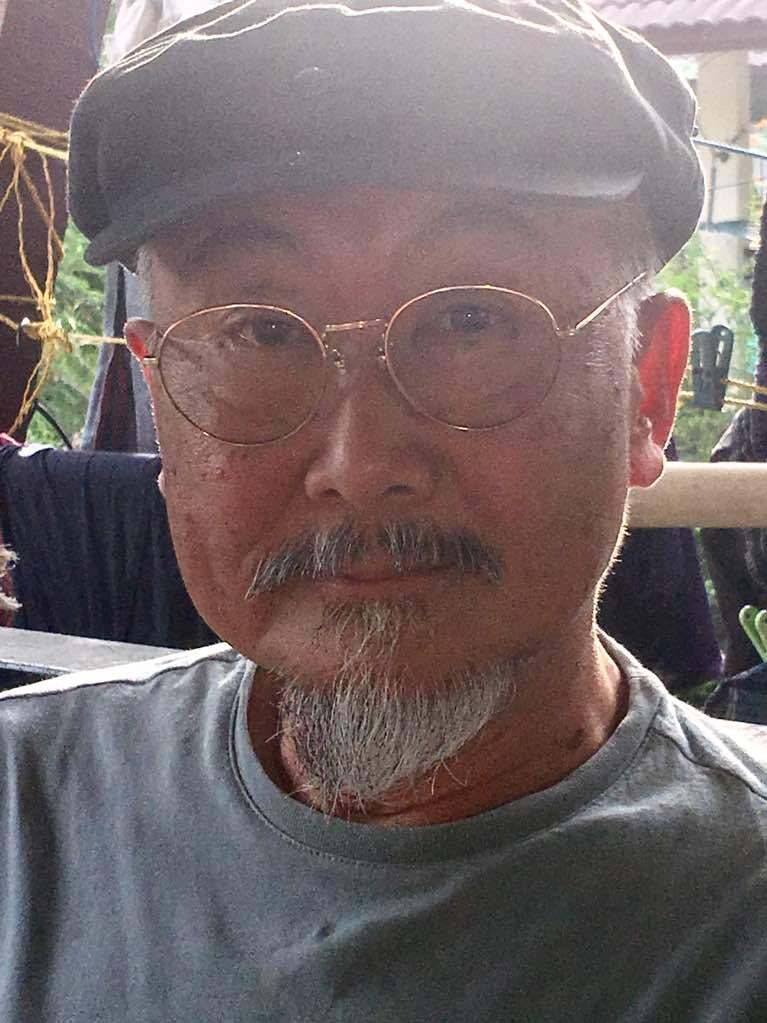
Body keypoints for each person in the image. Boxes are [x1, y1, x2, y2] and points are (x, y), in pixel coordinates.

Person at [2, 1, 766, 1019]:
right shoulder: (24, 817)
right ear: (162, 399)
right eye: (261, 333)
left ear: (647, 387)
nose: (359, 465)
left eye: (471, 321)